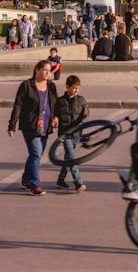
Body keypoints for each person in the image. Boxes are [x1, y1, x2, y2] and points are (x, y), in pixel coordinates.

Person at [7, 59, 59, 196]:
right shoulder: (26, 85)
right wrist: (12, 125)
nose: (47, 72)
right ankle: (35, 184)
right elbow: (18, 105)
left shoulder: (51, 86)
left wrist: (56, 117)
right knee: (36, 154)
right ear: (37, 69)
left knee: (37, 154)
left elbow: (56, 104)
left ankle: (26, 178)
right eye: (44, 70)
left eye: (49, 70)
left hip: (46, 125)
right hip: (30, 125)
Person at [55, 75, 88, 191]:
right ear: (67, 87)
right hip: (64, 134)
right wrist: (55, 119)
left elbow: (86, 113)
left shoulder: (81, 100)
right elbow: (55, 114)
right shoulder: (60, 101)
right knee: (72, 157)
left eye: (78, 88)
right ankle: (78, 182)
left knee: (68, 157)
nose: (76, 90)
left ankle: (60, 179)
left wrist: (83, 120)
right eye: (74, 88)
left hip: (76, 133)